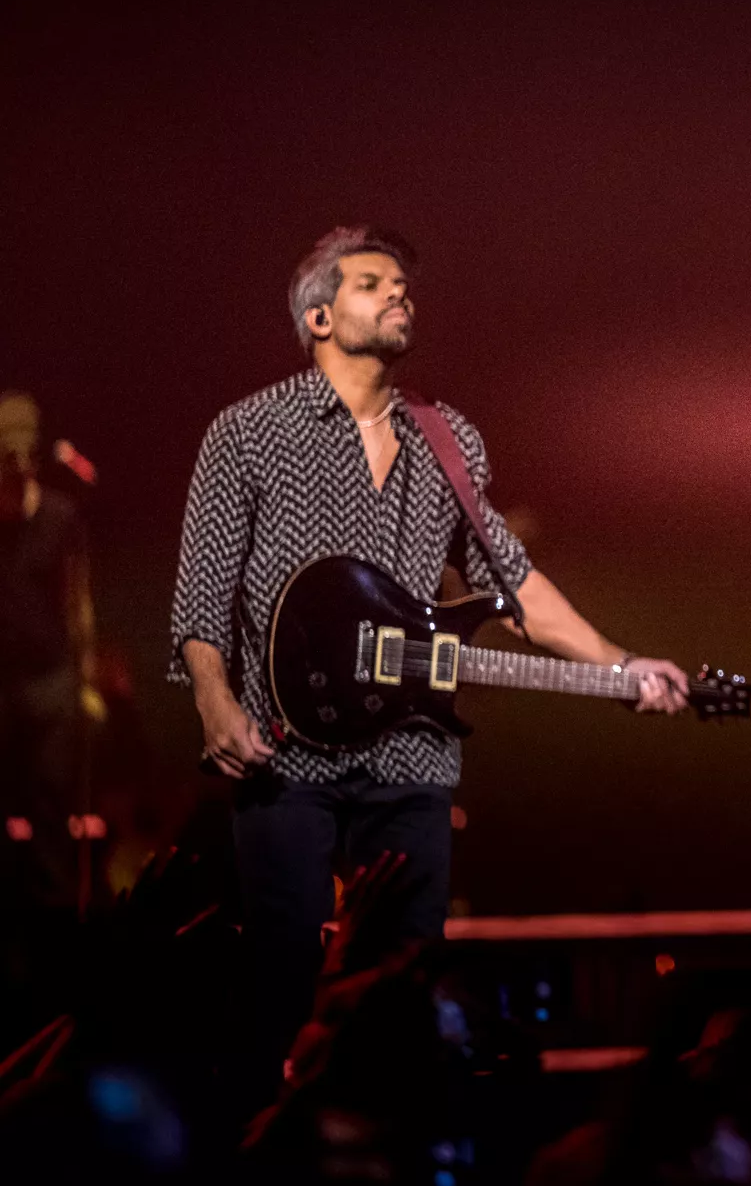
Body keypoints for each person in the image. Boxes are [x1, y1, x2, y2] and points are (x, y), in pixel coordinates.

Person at [168, 226, 696, 1088]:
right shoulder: (248, 431)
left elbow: (513, 583)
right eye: (372, 282)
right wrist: (212, 697)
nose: (398, 293)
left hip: (410, 755)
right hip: (285, 754)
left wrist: (620, 664)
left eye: (403, 284)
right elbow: (202, 587)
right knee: (281, 985)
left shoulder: (448, 438)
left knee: (403, 992)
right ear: (319, 317)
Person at [0, 391, 93, 912]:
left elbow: (77, 602)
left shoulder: (60, 517)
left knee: (52, 805)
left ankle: (56, 922)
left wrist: (85, 680)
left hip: (51, 682)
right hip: (3, 681)